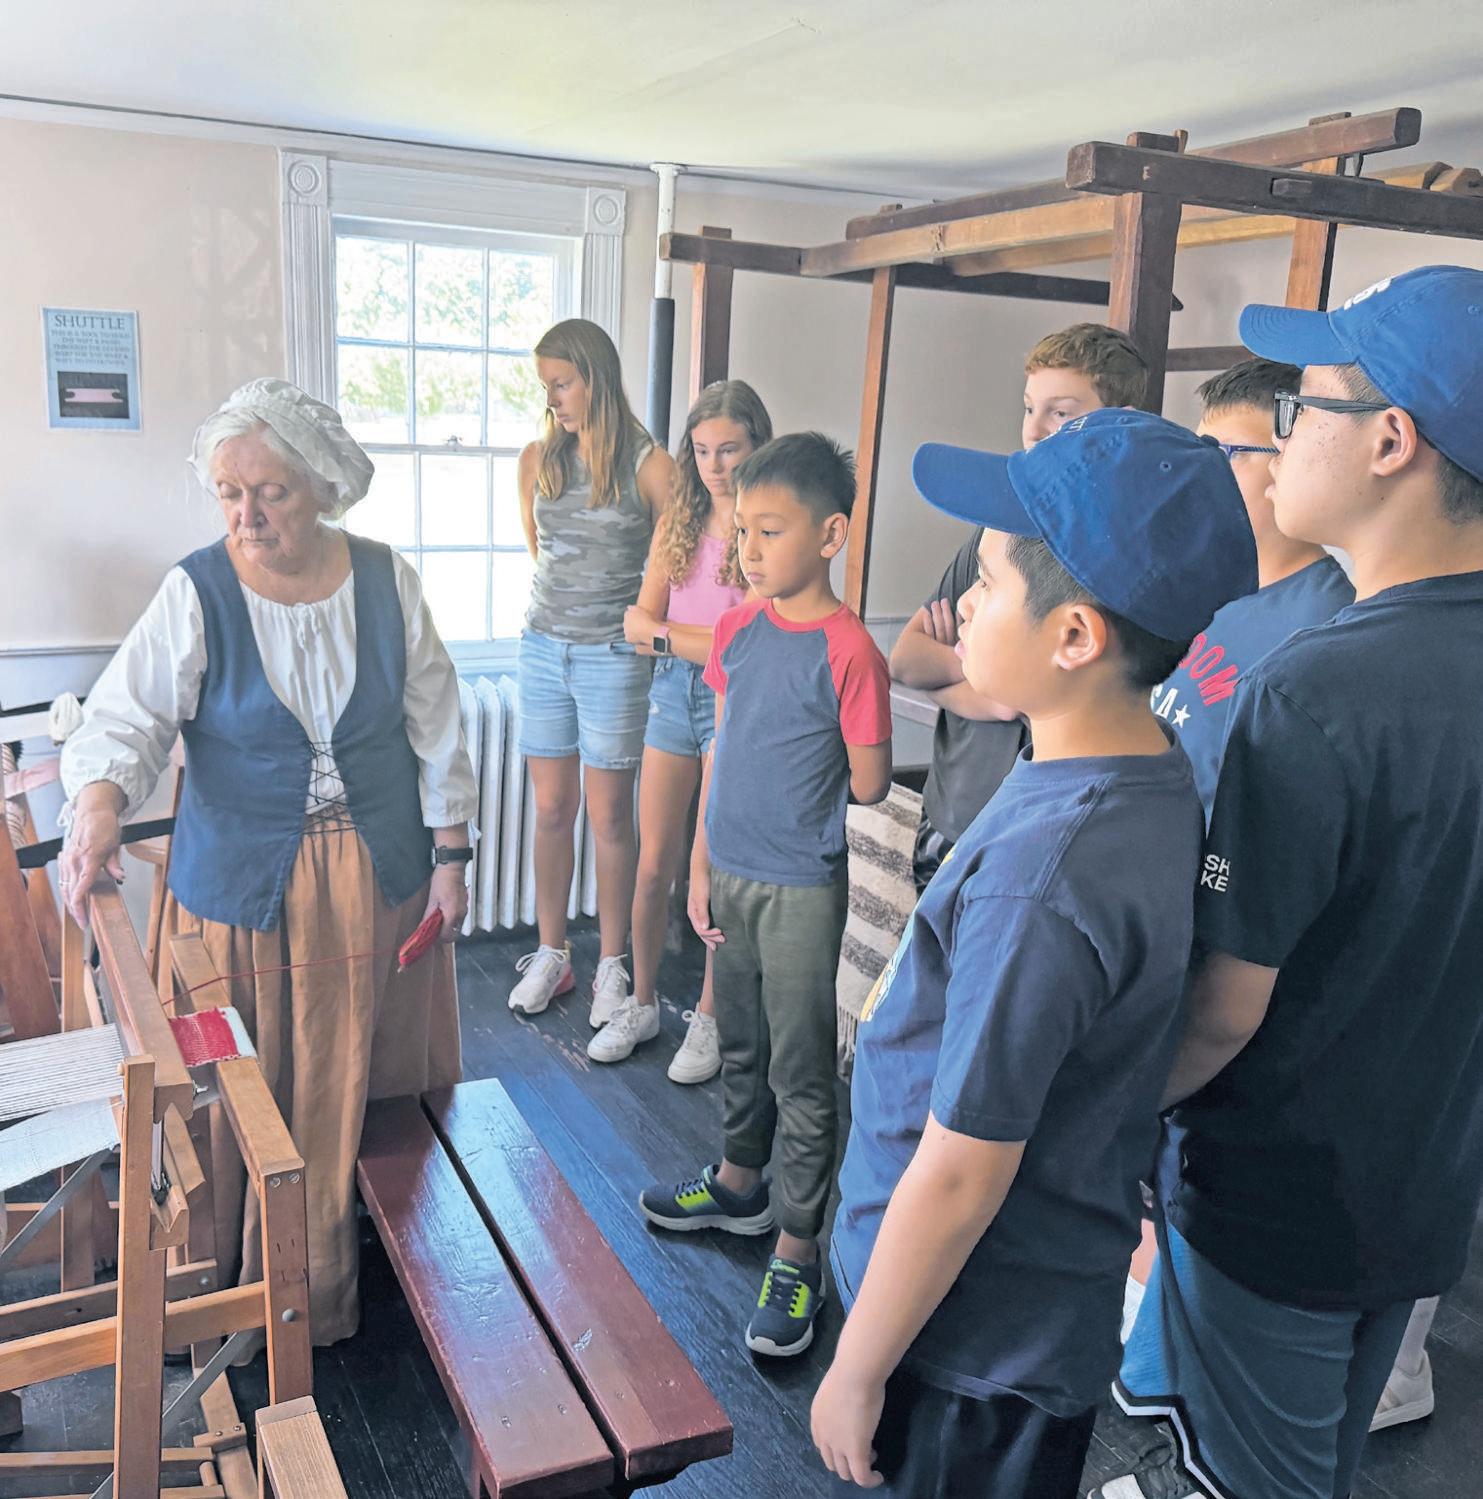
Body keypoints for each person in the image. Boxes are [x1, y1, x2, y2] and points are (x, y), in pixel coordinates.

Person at [812, 411, 1258, 1498]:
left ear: (1074, 638)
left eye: (989, 581)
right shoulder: (1143, 767)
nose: (960, 601)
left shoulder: (1045, 875)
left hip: (965, 1347)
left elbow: (963, 1167)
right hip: (1018, 1307)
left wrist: (857, 1367)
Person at [1098, 265, 1483, 1499]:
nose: (1276, 440)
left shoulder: (1313, 690)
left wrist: (1094, 1133)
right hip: (1422, 1193)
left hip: (1273, 1207)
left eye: (1299, 406)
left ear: (1389, 440)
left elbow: (1222, 1008)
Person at [59, 378, 477, 1345]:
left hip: (377, 879)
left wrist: (452, 855)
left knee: (368, 1079)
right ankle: (238, 1288)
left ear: (322, 485)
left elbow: (438, 725)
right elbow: (126, 716)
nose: (245, 515)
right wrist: (99, 802)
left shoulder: (386, 580)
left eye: (271, 492)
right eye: (228, 493)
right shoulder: (196, 590)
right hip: (243, 892)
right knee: (245, 1087)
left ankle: (382, 1270)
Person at [639, 433, 892, 1357]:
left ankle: (797, 1247)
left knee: (801, 1068)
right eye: (742, 530)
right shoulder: (737, 630)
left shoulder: (851, 649)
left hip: (800, 889)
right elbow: (722, 754)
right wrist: (701, 867)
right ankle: (740, 1183)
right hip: (733, 873)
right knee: (740, 1043)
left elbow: (870, 783)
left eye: (769, 530)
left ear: (829, 535)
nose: (747, 549)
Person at [891, 323, 1149, 892]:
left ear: (1118, 419)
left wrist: (962, 670)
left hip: (1033, 830)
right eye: (1029, 408)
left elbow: (1020, 702)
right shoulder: (997, 527)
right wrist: (980, 675)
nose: (1033, 430)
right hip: (951, 810)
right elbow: (907, 659)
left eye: (1060, 412)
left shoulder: (1120, 552)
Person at [587, 380, 771, 1073]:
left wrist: (668, 633)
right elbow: (636, 624)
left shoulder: (765, 527)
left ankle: (710, 1018)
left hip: (736, 699)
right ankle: (640, 1002)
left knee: (713, 866)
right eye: (701, 449)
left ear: (757, 445)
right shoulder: (679, 520)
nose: (713, 464)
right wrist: (681, 638)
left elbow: (744, 640)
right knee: (653, 861)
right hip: (673, 690)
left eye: (729, 449)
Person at [507, 319, 677, 1022]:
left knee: (610, 814)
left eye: (562, 383)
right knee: (551, 808)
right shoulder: (537, 459)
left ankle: (611, 963)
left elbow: (671, 558)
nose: (551, 399)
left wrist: (636, 623)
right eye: (545, 386)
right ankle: (552, 955)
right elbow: (539, 549)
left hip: (612, 659)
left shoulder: (651, 466)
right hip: (543, 648)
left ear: (595, 378)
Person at [1151, 357, 1353, 813]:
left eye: (1230, 453)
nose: (1202, 473)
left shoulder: (1326, 624)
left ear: (1291, 459)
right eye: (1199, 451)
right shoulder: (1184, 582)